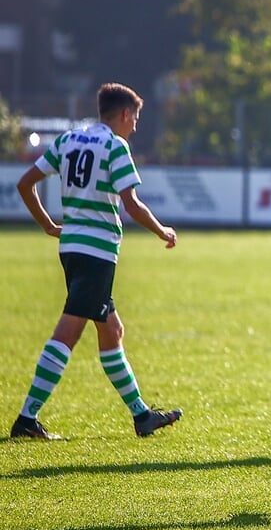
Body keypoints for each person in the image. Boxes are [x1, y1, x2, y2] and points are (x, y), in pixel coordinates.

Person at [10, 82, 183, 440]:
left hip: (72, 247)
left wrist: (48, 225)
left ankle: (142, 416)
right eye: (135, 117)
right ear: (122, 114)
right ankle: (27, 418)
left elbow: (26, 183)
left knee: (112, 331)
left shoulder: (69, 140)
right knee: (68, 333)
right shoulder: (115, 146)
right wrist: (162, 230)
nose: (135, 125)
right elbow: (131, 202)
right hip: (97, 251)